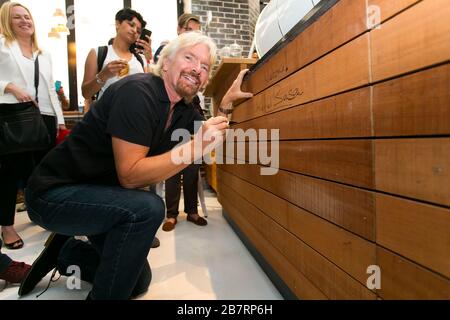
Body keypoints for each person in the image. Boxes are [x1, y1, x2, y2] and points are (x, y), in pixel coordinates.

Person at [20, 31, 252, 300]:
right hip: (52, 196)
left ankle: (66, 252)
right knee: (148, 208)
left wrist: (224, 106)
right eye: (189, 58)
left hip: (99, 196)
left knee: (138, 282)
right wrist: (194, 147)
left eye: (204, 66)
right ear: (165, 62)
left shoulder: (182, 110)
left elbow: (208, 133)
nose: (196, 69)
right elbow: (130, 176)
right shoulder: (137, 92)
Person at [0, 2, 66, 250]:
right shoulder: (2, 46)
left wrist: (59, 119)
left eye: (27, 16)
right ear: (7, 20)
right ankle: (6, 226)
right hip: (14, 115)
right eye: (17, 17)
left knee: (41, 173)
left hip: (45, 117)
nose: (24, 20)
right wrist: (10, 87)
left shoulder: (43, 53)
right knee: (10, 173)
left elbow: (49, 88)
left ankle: (43, 213)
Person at [81, 8, 152, 101]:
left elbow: (150, 91)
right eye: (131, 25)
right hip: (107, 114)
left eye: (138, 31)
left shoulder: (141, 59)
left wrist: (149, 59)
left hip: (134, 113)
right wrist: (103, 75)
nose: (135, 31)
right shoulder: (98, 53)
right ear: (118, 24)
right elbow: (86, 93)